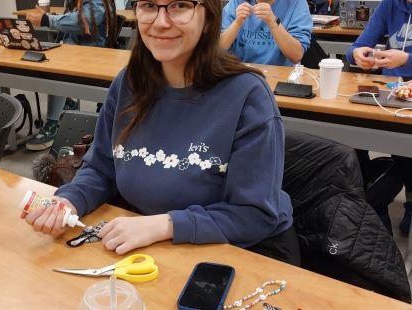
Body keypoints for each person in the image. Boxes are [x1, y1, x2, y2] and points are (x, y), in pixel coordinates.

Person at [21, 0, 301, 266]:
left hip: (247, 252)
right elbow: (102, 167)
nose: (161, 22)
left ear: (209, 19)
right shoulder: (129, 82)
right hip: (156, 244)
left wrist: (165, 224)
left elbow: (254, 214)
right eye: (149, 6)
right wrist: (70, 200)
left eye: (180, 5)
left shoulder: (247, 94)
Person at [347, 0, 412, 236]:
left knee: (406, 151)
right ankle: (371, 202)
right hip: (390, 95)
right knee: (352, 139)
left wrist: (406, 60)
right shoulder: (391, 5)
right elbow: (360, 44)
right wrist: (357, 54)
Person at [25, 0, 118, 151]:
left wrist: (47, 19)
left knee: (57, 72)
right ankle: (66, 102)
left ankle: (52, 123)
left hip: (95, 58)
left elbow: (82, 22)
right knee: (53, 65)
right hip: (73, 53)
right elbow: (73, 17)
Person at [220, 0, 312, 66]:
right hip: (242, 73)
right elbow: (218, 50)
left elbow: (296, 55)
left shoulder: (296, 3)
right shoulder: (237, 3)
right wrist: (237, 22)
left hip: (280, 77)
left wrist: (273, 21)